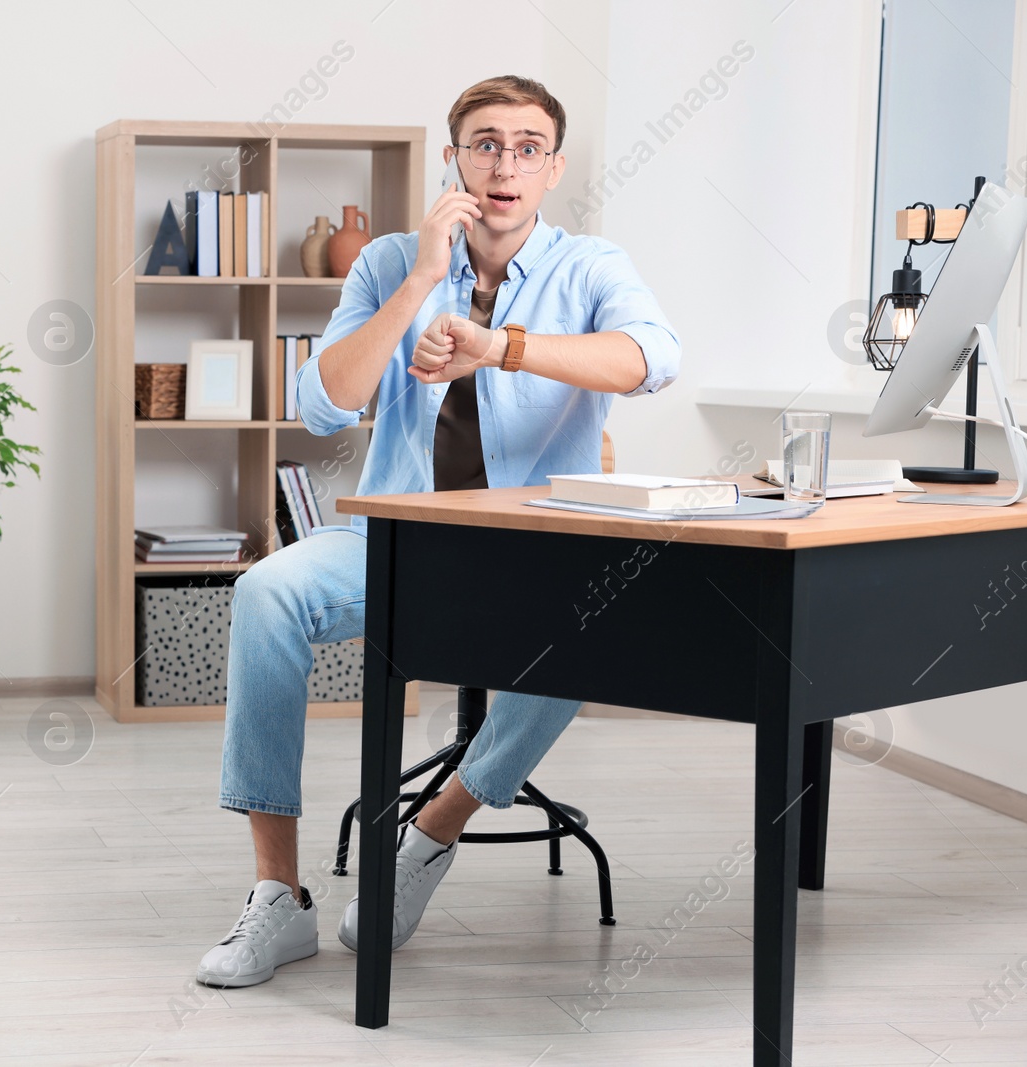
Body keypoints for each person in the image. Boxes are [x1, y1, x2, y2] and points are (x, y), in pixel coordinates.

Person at [196, 75, 680, 988]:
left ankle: (427, 835)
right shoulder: (389, 259)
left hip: (534, 550)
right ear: (454, 158)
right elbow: (321, 403)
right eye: (485, 143)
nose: (505, 163)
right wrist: (422, 275)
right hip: (400, 543)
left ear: (553, 167)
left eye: (527, 146)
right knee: (265, 590)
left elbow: (653, 358)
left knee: (590, 617)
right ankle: (276, 897)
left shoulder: (590, 266)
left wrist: (502, 346)